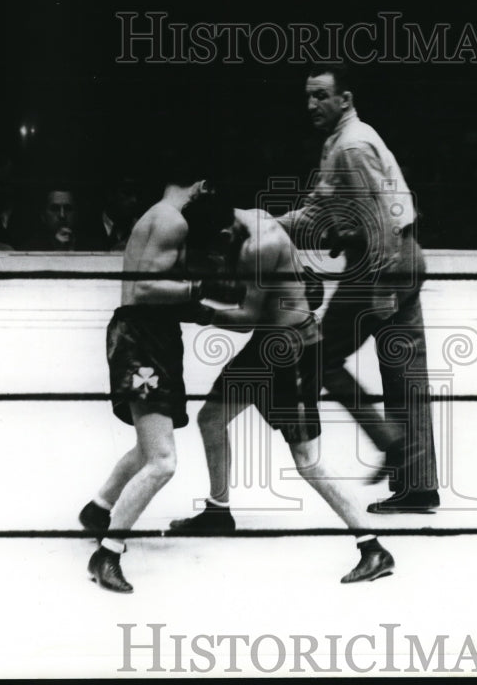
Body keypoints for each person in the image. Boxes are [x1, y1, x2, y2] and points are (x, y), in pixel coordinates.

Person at [168, 192, 395, 584]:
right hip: (267, 346)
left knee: (306, 460)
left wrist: (198, 310)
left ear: (224, 234)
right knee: (211, 419)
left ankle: (373, 547)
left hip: (293, 352)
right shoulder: (247, 217)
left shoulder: (260, 245)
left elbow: (247, 316)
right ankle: (218, 511)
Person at [276, 63, 439, 514]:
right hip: (397, 259)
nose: (312, 104)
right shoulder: (340, 142)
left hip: (380, 264)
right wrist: (267, 226)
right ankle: (418, 484)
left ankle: (391, 442)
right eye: (308, 96)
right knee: (406, 372)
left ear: (344, 99)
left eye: (321, 95)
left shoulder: (349, 146)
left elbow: (381, 218)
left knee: (322, 354)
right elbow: (314, 213)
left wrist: (382, 288)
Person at [77, 164, 228, 593]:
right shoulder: (172, 220)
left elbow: (152, 295)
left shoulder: (154, 216)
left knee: (148, 448)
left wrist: (210, 313)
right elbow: (145, 290)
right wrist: (202, 287)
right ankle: (108, 552)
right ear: (200, 183)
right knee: (163, 462)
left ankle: (99, 508)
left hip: (146, 339)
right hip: (141, 343)